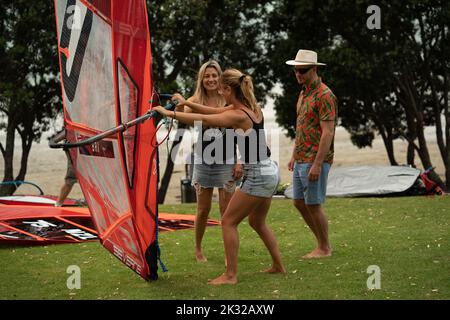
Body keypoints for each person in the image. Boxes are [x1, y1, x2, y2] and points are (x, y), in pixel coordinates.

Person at [153, 68, 286, 285]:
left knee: (228, 221)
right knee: (257, 222)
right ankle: (278, 266)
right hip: (269, 169)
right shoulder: (251, 107)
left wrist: (170, 114)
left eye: (222, 90)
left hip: (258, 175)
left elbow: (206, 118)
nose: (220, 94)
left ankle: (230, 275)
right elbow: (209, 111)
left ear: (227, 89)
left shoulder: (236, 114)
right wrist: (186, 102)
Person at [184, 60, 243, 262]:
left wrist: (239, 161)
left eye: (214, 75)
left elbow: (242, 131)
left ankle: (229, 254)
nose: (211, 79)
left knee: (226, 211)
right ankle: (198, 248)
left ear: (220, 77)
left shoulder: (228, 99)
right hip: (202, 160)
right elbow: (182, 117)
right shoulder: (194, 100)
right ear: (202, 79)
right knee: (202, 210)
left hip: (227, 160)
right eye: (207, 76)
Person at [286, 49, 338, 259]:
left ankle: (324, 248)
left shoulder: (325, 95)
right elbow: (302, 127)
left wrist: (317, 164)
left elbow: (328, 133)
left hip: (314, 160)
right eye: (296, 71)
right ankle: (321, 243)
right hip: (301, 158)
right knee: (299, 202)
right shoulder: (303, 92)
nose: (298, 74)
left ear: (314, 69)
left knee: (313, 204)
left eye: (303, 70)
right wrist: (293, 155)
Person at [53, 130, 78, 207]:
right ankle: (58, 204)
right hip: (74, 150)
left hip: (80, 148)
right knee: (70, 179)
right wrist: (54, 141)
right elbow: (68, 130)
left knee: (71, 179)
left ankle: (58, 204)